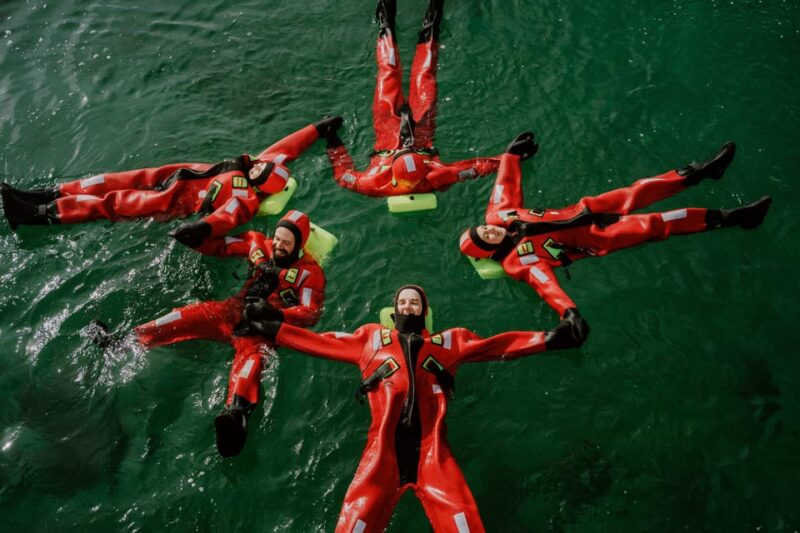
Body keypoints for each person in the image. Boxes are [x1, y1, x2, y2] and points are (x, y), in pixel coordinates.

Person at [243, 284, 585, 532]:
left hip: (433, 454)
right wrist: (273, 327)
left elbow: (498, 345)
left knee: (465, 525)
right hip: (382, 455)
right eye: (403, 302)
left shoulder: (450, 341)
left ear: (424, 310)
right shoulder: (371, 338)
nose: (408, 306)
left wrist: (552, 339)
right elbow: (322, 343)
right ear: (394, 312)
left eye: (415, 302)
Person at [459, 133, 772, 336]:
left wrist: (511, 156)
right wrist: (569, 313)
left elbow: (504, 188)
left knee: (640, 190)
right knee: (660, 222)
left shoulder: (499, 216)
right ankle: (734, 218)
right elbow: (545, 286)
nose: (488, 229)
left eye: (482, 228)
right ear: (489, 251)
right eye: (485, 236)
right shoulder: (519, 262)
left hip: (586, 209)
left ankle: (703, 171)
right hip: (600, 237)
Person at [132, 209, 326, 457]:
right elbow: (221, 246)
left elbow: (310, 312)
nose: (278, 245)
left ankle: (236, 417)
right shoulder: (259, 244)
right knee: (183, 315)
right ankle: (130, 339)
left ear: (298, 244)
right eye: (277, 238)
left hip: (258, 331)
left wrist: (278, 315)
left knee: (250, 366)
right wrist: (199, 233)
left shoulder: (310, 274)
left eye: (286, 242)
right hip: (229, 312)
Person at [0, 119, 342, 246]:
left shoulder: (247, 200)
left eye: (262, 176)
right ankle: (43, 195)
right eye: (260, 168)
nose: (257, 171)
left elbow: (227, 219)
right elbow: (286, 149)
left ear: (264, 188)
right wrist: (316, 129)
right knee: (108, 181)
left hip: (172, 202)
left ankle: (34, 214)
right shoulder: (258, 164)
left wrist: (202, 229)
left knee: (113, 203)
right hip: (169, 175)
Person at [323, 0, 500, 197]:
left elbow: (343, 176)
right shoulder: (436, 176)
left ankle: (386, 24)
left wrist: (333, 142)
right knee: (425, 74)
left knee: (388, 72)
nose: (406, 145)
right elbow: (476, 168)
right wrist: (509, 158)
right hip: (422, 126)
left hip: (387, 124)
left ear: (392, 173)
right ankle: (431, 22)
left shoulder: (373, 183)